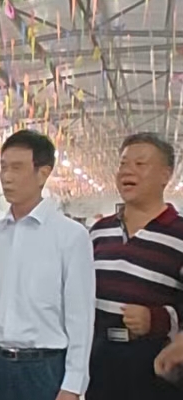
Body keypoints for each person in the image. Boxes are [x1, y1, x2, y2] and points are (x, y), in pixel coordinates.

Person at [0, 130, 95, 400]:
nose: (6, 177)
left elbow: (80, 317)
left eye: (17, 168)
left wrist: (73, 384)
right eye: (4, 167)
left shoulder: (70, 236)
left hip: (44, 370)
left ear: (43, 173)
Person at [86, 133, 183, 400]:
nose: (127, 171)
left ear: (165, 175)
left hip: (156, 362)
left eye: (140, 164)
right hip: (99, 358)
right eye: (123, 164)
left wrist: (157, 319)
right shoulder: (99, 231)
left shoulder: (179, 233)